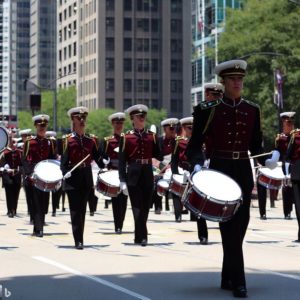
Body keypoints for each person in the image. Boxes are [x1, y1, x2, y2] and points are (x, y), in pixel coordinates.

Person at [186, 59, 265, 298]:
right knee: (228, 227)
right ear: (224, 82)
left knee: (240, 227)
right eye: (233, 79)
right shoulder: (207, 110)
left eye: (240, 79)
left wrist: (266, 159)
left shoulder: (252, 110)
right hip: (220, 170)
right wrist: (198, 164)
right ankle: (239, 282)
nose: (237, 83)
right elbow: (194, 145)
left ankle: (226, 275)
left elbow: (255, 145)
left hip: (242, 169)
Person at [119, 104, 162, 246]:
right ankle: (143, 237)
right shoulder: (127, 137)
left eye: (143, 116)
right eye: (139, 116)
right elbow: (122, 161)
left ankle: (138, 237)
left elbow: (159, 155)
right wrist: (122, 180)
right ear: (133, 118)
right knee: (137, 207)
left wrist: (160, 140)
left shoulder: (151, 136)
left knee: (145, 207)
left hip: (147, 173)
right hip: (133, 173)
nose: (142, 118)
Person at [60, 106, 102, 250]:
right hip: (72, 179)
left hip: (86, 178)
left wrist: (105, 161)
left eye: (84, 118)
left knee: (82, 210)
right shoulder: (67, 140)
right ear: (73, 120)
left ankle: (80, 237)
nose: (82, 120)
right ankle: (78, 239)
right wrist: (64, 172)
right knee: (75, 210)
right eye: (79, 118)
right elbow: (63, 163)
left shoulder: (91, 140)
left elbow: (97, 157)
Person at [22, 114, 56, 237]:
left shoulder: (50, 143)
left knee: (44, 203)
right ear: (35, 126)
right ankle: (39, 228)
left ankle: (38, 227)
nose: (42, 128)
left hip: (46, 175)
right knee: (35, 203)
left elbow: (53, 160)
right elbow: (24, 160)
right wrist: (29, 173)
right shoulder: (29, 142)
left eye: (44, 126)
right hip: (34, 176)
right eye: (40, 126)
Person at [99, 112, 128, 233]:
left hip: (125, 172)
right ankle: (118, 225)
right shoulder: (107, 141)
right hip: (113, 173)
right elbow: (101, 156)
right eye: (117, 123)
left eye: (121, 123)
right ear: (112, 124)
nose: (119, 125)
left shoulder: (127, 139)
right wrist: (105, 162)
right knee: (116, 200)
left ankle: (121, 223)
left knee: (124, 199)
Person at [151, 118, 178, 214]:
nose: (172, 130)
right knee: (155, 181)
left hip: (175, 168)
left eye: (174, 128)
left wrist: (171, 166)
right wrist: (162, 167)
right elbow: (153, 158)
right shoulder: (158, 141)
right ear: (165, 129)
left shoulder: (179, 141)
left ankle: (178, 208)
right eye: (170, 129)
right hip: (160, 168)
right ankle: (158, 207)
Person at [276, 112, 296, 219]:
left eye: (289, 124)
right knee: (286, 188)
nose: (287, 126)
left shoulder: (297, 136)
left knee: (295, 189)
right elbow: (279, 152)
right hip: (286, 166)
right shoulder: (280, 138)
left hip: (296, 165)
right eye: (285, 124)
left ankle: (295, 208)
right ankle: (287, 212)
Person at [0, 130, 22, 217]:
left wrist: (20, 169)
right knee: (9, 194)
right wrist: (5, 168)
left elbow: (22, 164)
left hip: (16, 175)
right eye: (11, 141)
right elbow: (1, 165)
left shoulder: (19, 152)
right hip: (7, 176)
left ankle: (14, 209)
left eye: (14, 142)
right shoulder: (5, 152)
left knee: (16, 193)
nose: (12, 144)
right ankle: (9, 210)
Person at [285, 126, 300, 242]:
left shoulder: (295, 135)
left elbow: (288, 156)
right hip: (297, 174)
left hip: (297, 173)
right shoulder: (295, 135)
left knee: (299, 206)